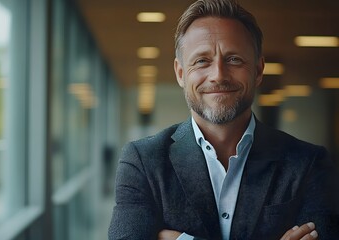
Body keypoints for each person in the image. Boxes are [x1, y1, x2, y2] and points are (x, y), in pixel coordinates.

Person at [108, 0, 339, 239]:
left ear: (258, 70)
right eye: (201, 61)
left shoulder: (309, 163)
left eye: (234, 59)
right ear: (180, 73)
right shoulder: (143, 161)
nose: (218, 75)